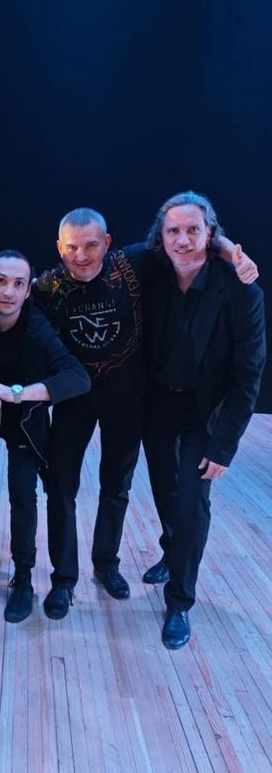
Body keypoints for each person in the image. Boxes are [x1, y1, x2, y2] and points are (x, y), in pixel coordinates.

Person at [0, 208, 258, 620]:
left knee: (116, 487)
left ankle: (106, 564)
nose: (81, 255)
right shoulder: (48, 285)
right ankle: (63, 581)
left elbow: (187, 243)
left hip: (128, 400)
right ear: (59, 248)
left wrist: (230, 251)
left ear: (108, 243)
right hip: (74, 402)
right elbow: (3, 292)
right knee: (61, 488)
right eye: (72, 247)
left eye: (91, 245)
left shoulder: (133, 263)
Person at [141, 191, 266, 649]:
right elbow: (94, 259)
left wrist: (224, 445)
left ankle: (180, 601)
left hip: (206, 412)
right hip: (158, 405)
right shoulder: (151, 271)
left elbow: (248, 374)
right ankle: (173, 553)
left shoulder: (241, 291)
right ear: (161, 236)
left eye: (193, 229)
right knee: (164, 490)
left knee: (192, 500)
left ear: (209, 232)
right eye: (173, 230)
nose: (183, 239)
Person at [0, 250, 91, 623]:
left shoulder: (38, 330)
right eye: (0, 282)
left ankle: (23, 577)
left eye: (18, 284)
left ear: (28, 290)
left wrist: (16, 393)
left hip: (25, 415)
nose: (8, 292)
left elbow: (78, 378)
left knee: (22, 494)